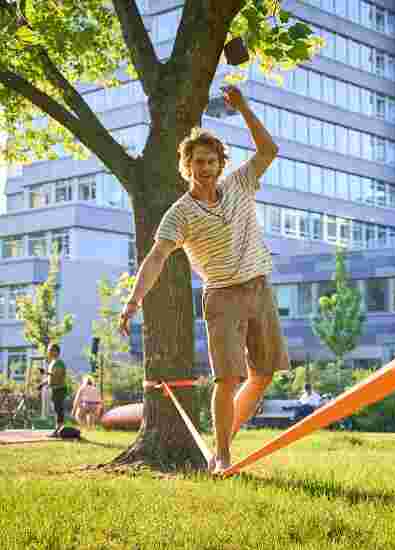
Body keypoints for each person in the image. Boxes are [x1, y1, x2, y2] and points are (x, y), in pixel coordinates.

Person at [119, 85, 289, 474]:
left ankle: (222, 439)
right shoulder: (179, 214)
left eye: (212, 161)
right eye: (198, 162)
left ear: (220, 164)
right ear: (187, 166)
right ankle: (223, 456)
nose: (206, 168)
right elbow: (157, 257)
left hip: (259, 287)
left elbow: (269, 151)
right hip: (222, 296)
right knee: (228, 378)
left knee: (263, 375)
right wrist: (133, 302)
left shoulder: (240, 185)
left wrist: (244, 107)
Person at [46, 343, 67, 438]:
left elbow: (56, 375)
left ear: (56, 351)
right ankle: (58, 429)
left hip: (59, 389)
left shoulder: (59, 362)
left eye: (50, 350)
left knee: (58, 409)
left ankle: (58, 430)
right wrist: (42, 384)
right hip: (54, 389)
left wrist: (48, 375)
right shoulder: (52, 362)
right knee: (56, 409)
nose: (48, 352)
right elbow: (51, 376)